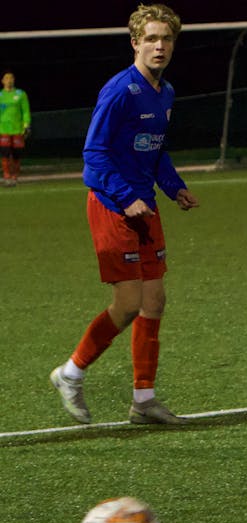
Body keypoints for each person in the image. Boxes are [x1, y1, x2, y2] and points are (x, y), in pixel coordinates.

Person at [50, 3, 199, 426]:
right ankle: (71, 373)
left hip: (144, 207)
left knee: (155, 300)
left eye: (166, 39)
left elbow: (155, 150)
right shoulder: (119, 90)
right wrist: (124, 196)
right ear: (135, 43)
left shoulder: (165, 92)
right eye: (151, 38)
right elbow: (93, 155)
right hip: (113, 206)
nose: (160, 46)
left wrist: (174, 189)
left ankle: (143, 400)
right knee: (130, 303)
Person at [0, 70, 31, 187]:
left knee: (16, 154)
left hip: (17, 129)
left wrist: (26, 124)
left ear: (14, 80)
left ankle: (15, 176)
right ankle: (7, 176)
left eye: (11, 78)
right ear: (2, 81)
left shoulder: (20, 94)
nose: (9, 80)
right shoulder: (0, 96)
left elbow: (25, 111)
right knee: (5, 153)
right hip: (3, 130)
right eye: (6, 78)